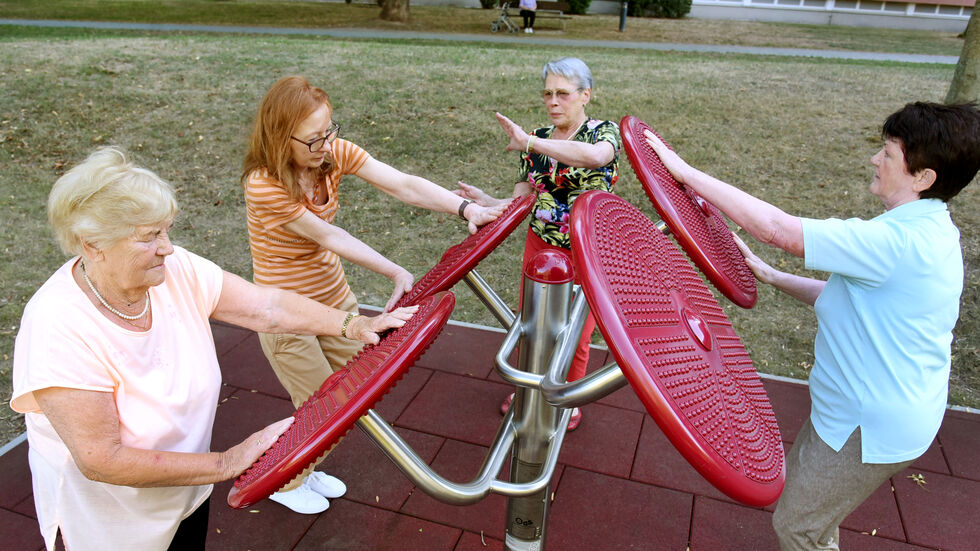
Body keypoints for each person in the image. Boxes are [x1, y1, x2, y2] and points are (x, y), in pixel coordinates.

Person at [9, 147, 416, 551]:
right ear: (92, 244)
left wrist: (355, 324)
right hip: (110, 524)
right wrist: (227, 462)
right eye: (149, 237)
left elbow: (266, 307)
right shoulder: (57, 324)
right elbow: (102, 458)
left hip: (185, 490)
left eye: (166, 229)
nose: (167, 247)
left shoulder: (174, 270)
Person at [643, 102, 980, 550]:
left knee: (797, 527)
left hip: (869, 424)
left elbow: (776, 229)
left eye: (887, 153)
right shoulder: (930, 228)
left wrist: (683, 172)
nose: (874, 160)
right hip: (864, 409)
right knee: (813, 513)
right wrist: (773, 276)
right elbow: (854, 302)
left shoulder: (897, 241)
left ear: (923, 177)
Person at [242, 75, 504, 513]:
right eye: (313, 139)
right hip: (287, 314)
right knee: (318, 410)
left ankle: (302, 465)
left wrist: (466, 208)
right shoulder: (263, 184)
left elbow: (401, 183)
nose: (325, 144)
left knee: (349, 401)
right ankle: (286, 480)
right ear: (278, 136)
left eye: (330, 131)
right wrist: (394, 270)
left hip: (335, 300)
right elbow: (330, 236)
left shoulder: (328, 154)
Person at [455, 57, 620, 431]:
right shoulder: (538, 137)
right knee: (532, 323)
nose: (553, 101)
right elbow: (522, 200)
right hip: (541, 247)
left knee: (576, 332)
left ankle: (566, 398)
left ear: (585, 95)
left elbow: (596, 158)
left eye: (563, 93)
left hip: (588, 250)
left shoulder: (601, 133)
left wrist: (530, 141)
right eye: (547, 93)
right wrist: (485, 201)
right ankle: (531, 391)